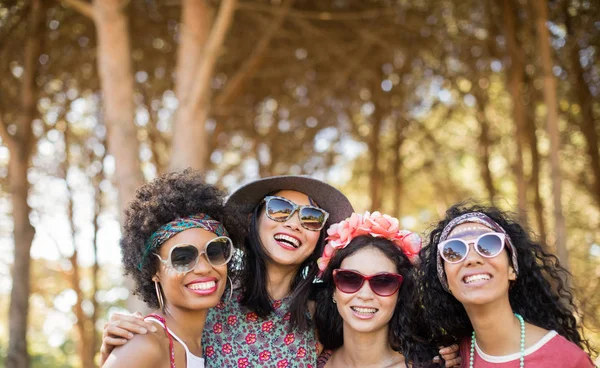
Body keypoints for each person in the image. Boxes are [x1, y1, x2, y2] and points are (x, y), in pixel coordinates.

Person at [101, 176, 460, 367]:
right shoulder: (211, 292)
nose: (293, 223)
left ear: (320, 235)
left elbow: (382, 327)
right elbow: (164, 335)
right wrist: (118, 343)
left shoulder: (323, 310)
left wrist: (439, 352)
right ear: (253, 220)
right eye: (278, 209)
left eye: (310, 217)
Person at [419, 203, 596, 367]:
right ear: (445, 279)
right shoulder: (454, 356)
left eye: (488, 244)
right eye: (455, 251)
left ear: (512, 268)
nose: (472, 259)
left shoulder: (567, 360)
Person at [104, 170, 243, 368]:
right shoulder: (146, 345)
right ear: (154, 270)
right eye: (183, 257)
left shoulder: (218, 340)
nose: (204, 268)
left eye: (215, 252)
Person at [315, 211, 451, 368]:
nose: (365, 295)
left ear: (400, 294)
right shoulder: (308, 361)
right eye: (350, 279)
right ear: (333, 290)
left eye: (383, 282)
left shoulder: (433, 364)